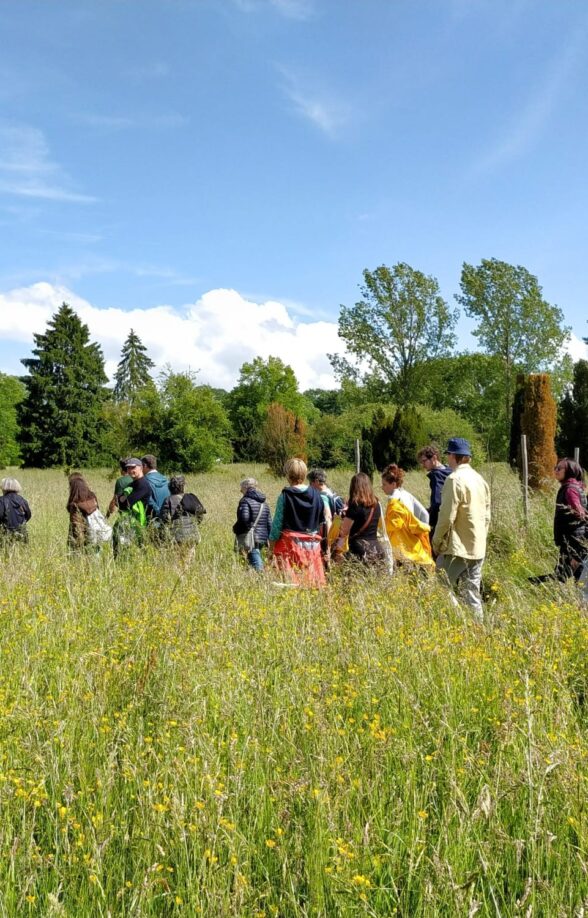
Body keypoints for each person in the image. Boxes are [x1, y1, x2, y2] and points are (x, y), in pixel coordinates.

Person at [432, 438, 491, 623]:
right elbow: (487, 516)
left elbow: (446, 516)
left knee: (441, 588)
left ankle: (458, 623)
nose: (448, 459)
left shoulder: (454, 479)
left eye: (448, 455)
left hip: (456, 547)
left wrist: (436, 541)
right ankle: (477, 629)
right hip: (477, 547)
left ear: (453, 456)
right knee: (471, 593)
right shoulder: (480, 480)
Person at [268, 458, 326, 586]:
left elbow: (276, 526)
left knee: (291, 586)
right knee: (313, 586)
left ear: (288, 475)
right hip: (313, 547)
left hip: (290, 547)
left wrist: (270, 548)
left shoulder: (285, 496)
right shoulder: (317, 495)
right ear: (305, 474)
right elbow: (322, 523)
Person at [381, 465, 433, 567]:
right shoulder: (406, 494)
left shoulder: (395, 500)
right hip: (414, 544)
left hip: (403, 549)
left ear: (393, 484)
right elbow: (425, 514)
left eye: (384, 484)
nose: (382, 487)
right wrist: (419, 533)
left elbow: (392, 526)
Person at [333, 472, 389, 567]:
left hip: (359, 549)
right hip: (377, 549)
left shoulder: (355, 505)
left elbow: (344, 531)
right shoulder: (376, 504)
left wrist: (338, 521)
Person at [553, 459, 586, 580]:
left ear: (569, 471)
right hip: (574, 539)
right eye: (555, 467)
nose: (555, 470)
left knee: (563, 575)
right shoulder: (574, 486)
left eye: (559, 468)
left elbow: (579, 512)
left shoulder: (569, 489)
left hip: (572, 540)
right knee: (568, 575)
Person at [233, 477, 272, 572]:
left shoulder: (245, 501)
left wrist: (236, 529)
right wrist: (269, 540)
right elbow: (270, 523)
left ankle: (262, 580)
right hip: (263, 537)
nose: (240, 491)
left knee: (256, 566)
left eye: (241, 488)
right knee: (252, 563)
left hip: (251, 539)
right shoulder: (264, 503)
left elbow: (244, 519)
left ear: (246, 487)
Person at [113, 458, 150, 554]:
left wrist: (124, 498)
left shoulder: (143, 485)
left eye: (133, 467)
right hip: (129, 524)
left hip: (138, 526)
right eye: (128, 468)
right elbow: (119, 503)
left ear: (141, 468)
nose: (130, 471)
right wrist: (123, 500)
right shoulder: (133, 484)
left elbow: (127, 505)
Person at [161, 475, 206, 546]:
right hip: (193, 536)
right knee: (190, 555)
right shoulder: (191, 498)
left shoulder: (168, 500)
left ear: (169, 487)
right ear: (183, 486)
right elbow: (200, 516)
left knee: (178, 556)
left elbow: (164, 519)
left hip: (176, 538)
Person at [417, 445, 451, 536]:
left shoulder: (436, 475)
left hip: (441, 522)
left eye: (424, 461)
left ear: (434, 458)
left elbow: (437, 503)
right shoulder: (449, 470)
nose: (423, 465)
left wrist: (429, 521)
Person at [66, 472, 99, 552]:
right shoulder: (92, 497)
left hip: (80, 541)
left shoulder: (74, 504)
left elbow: (76, 525)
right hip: (95, 534)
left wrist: (76, 544)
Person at [0, 477, 31, 545]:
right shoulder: (22, 500)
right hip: (22, 534)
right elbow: (28, 516)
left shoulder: (1, 500)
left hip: (5, 535)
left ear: (3, 487)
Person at [142, 455, 171, 520]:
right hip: (167, 516)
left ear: (145, 465)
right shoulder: (166, 479)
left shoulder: (144, 481)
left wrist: (159, 514)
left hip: (152, 518)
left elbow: (149, 501)